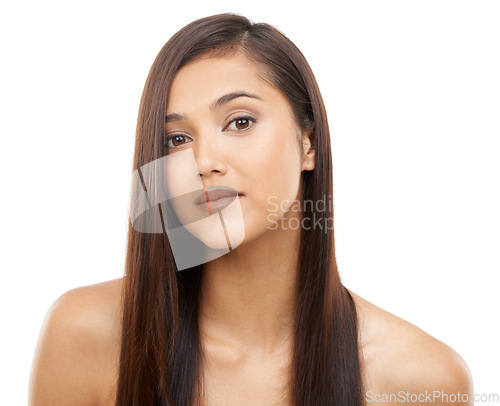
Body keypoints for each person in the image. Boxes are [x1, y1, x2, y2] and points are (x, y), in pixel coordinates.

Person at [28, 13, 473, 406]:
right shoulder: (87, 336)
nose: (202, 162)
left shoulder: (421, 379)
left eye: (240, 122)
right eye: (177, 140)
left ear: (309, 143)